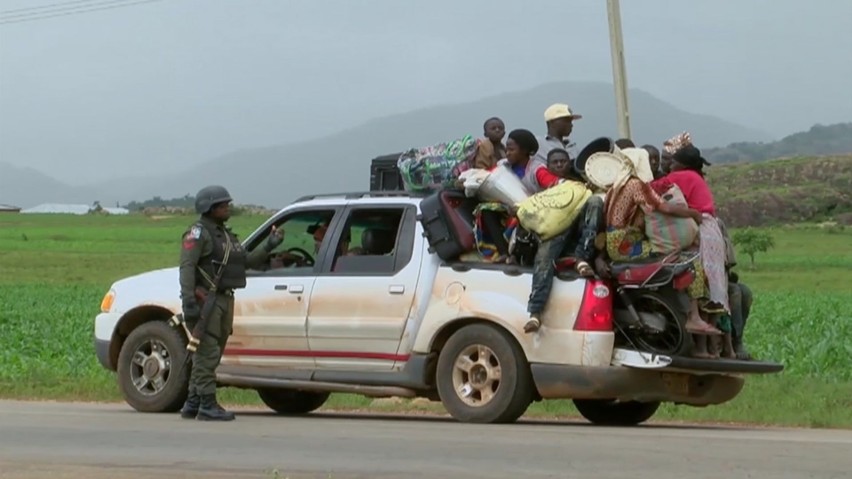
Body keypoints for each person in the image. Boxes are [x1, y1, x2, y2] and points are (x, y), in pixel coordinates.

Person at [178, 185, 283, 421]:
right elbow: (187, 268)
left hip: (224, 300)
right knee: (207, 352)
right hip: (207, 300)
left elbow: (246, 261)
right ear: (209, 207)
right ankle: (207, 403)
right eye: (222, 204)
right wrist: (189, 302)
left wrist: (270, 244)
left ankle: (193, 402)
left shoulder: (225, 236)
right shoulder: (198, 234)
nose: (228, 207)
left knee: (210, 353)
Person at [601, 150, 721, 336]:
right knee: (687, 260)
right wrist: (692, 214)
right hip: (626, 246)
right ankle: (694, 317)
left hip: (616, 243)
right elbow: (663, 207)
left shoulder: (616, 186)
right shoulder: (636, 185)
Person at [524, 148, 603, 333]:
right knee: (543, 260)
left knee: (595, 202)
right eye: (555, 162)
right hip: (554, 231)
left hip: (578, 232)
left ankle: (581, 258)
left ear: (569, 163)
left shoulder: (579, 183)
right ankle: (535, 313)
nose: (559, 165)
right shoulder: (544, 188)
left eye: (563, 161)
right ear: (549, 166)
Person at [475, 129, 540, 262]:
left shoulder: (536, 169)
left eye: (512, 150)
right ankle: (503, 252)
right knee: (486, 210)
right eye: (507, 150)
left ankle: (518, 255)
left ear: (524, 151)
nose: (507, 153)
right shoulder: (503, 165)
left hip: (533, 208)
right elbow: (486, 176)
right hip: (508, 207)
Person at [532, 103, 583, 186]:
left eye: (571, 121)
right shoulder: (538, 144)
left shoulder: (573, 147)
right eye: (567, 121)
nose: (571, 125)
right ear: (551, 122)